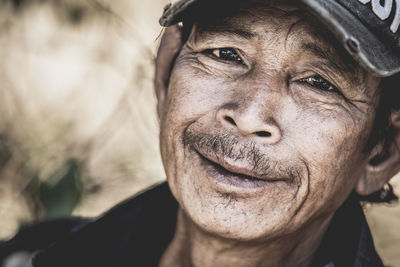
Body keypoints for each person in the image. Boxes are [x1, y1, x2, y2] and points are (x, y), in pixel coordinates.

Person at [1, 0, 400, 266]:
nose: (248, 116)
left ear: (381, 152)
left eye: (319, 83)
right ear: (164, 78)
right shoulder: (32, 256)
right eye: (225, 54)